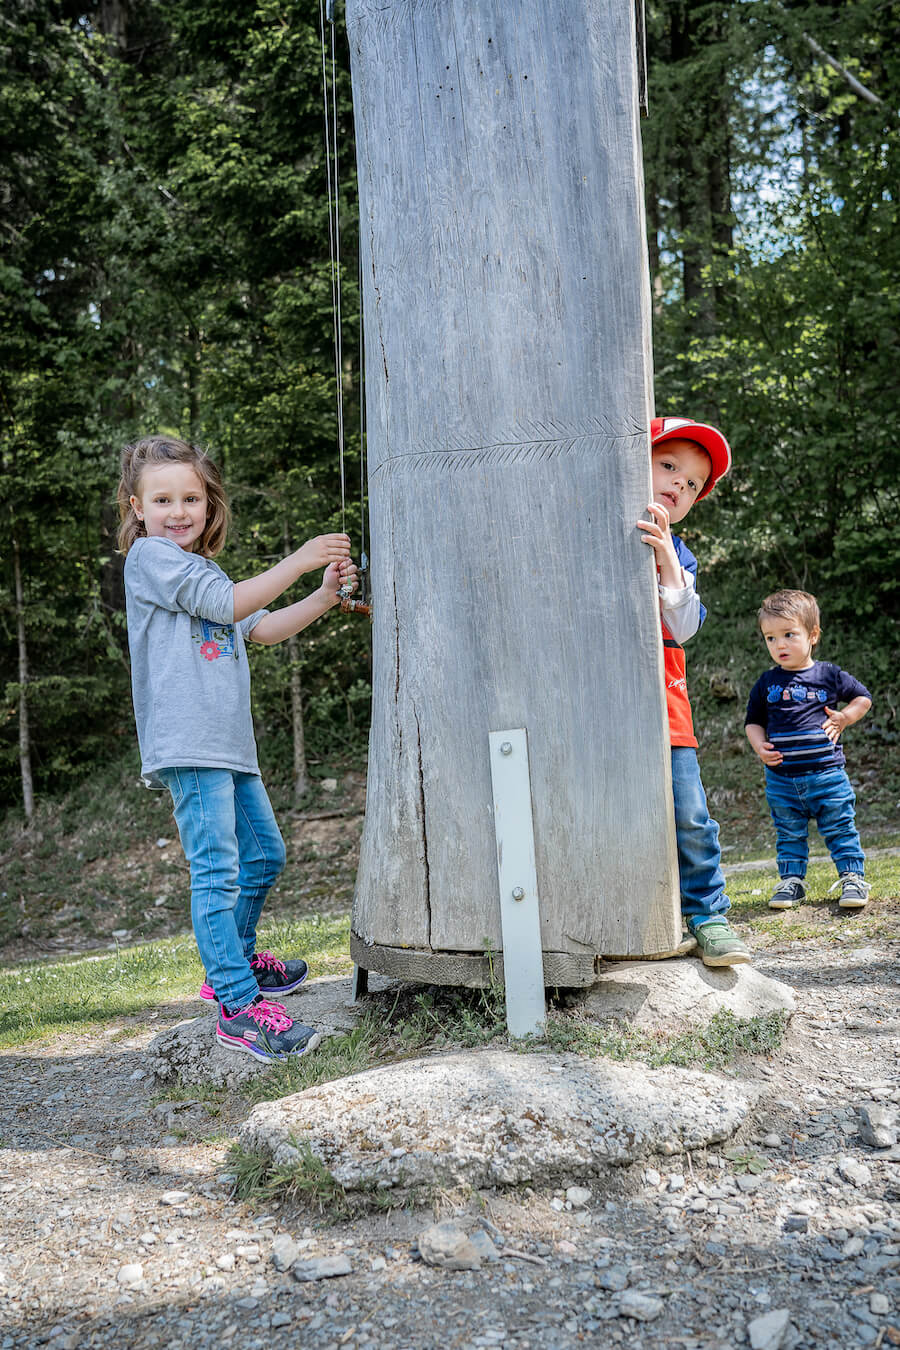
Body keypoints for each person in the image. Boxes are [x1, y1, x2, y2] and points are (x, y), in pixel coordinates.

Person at [118, 435, 357, 1060]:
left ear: (208, 503)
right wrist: (301, 559)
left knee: (264, 857)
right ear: (137, 507)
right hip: (190, 746)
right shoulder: (150, 560)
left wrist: (325, 595)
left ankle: (239, 964)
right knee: (217, 872)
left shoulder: (204, 568)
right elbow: (227, 605)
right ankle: (236, 1005)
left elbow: (261, 627)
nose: (178, 510)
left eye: (190, 497)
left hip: (228, 748)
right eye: (162, 498)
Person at [637, 415, 751, 967]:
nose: (677, 485)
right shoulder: (594, 528)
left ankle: (709, 913)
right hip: (601, 708)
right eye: (668, 465)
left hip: (666, 705)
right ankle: (631, 914)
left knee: (689, 812)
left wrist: (663, 555)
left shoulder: (679, 555)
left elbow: (685, 625)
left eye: (690, 485)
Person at [745, 589, 872, 911]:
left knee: (840, 827)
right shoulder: (766, 682)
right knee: (788, 833)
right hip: (781, 779)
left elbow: (862, 698)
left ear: (812, 635)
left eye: (789, 635)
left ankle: (853, 878)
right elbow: (753, 722)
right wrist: (759, 746)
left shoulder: (828, 674)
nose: (780, 645)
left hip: (827, 774)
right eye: (771, 638)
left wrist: (845, 717)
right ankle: (791, 883)